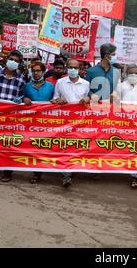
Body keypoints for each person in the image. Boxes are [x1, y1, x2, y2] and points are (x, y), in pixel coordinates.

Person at [0, 50, 26, 182]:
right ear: (6, 59)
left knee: (9, 143)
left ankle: (7, 171)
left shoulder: (21, 80)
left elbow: (23, 95)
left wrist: (22, 99)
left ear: (19, 64)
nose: (13, 62)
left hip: (11, 116)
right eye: (11, 59)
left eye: (16, 61)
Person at [51, 59, 90, 187]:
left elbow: (90, 100)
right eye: (70, 67)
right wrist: (58, 100)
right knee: (65, 146)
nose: (73, 70)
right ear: (67, 68)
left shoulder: (86, 84)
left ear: (80, 69)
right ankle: (66, 174)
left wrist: (87, 98)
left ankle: (72, 169)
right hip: (64, 121)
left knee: (76, 147)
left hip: (80, 122)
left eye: (75, 67)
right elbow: (54, 99)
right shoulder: (60, 82)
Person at [18, 61, 55, 184]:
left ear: (43, 72)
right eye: (33, 71)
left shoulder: (50, 86)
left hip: (45, 122)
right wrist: (23, 98)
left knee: (41, 147)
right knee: (29, 146)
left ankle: (37, 173)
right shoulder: (26, 86)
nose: (36, 73)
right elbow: (17, 98)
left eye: (38, 70)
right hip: (29, 122)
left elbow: (54, 100)